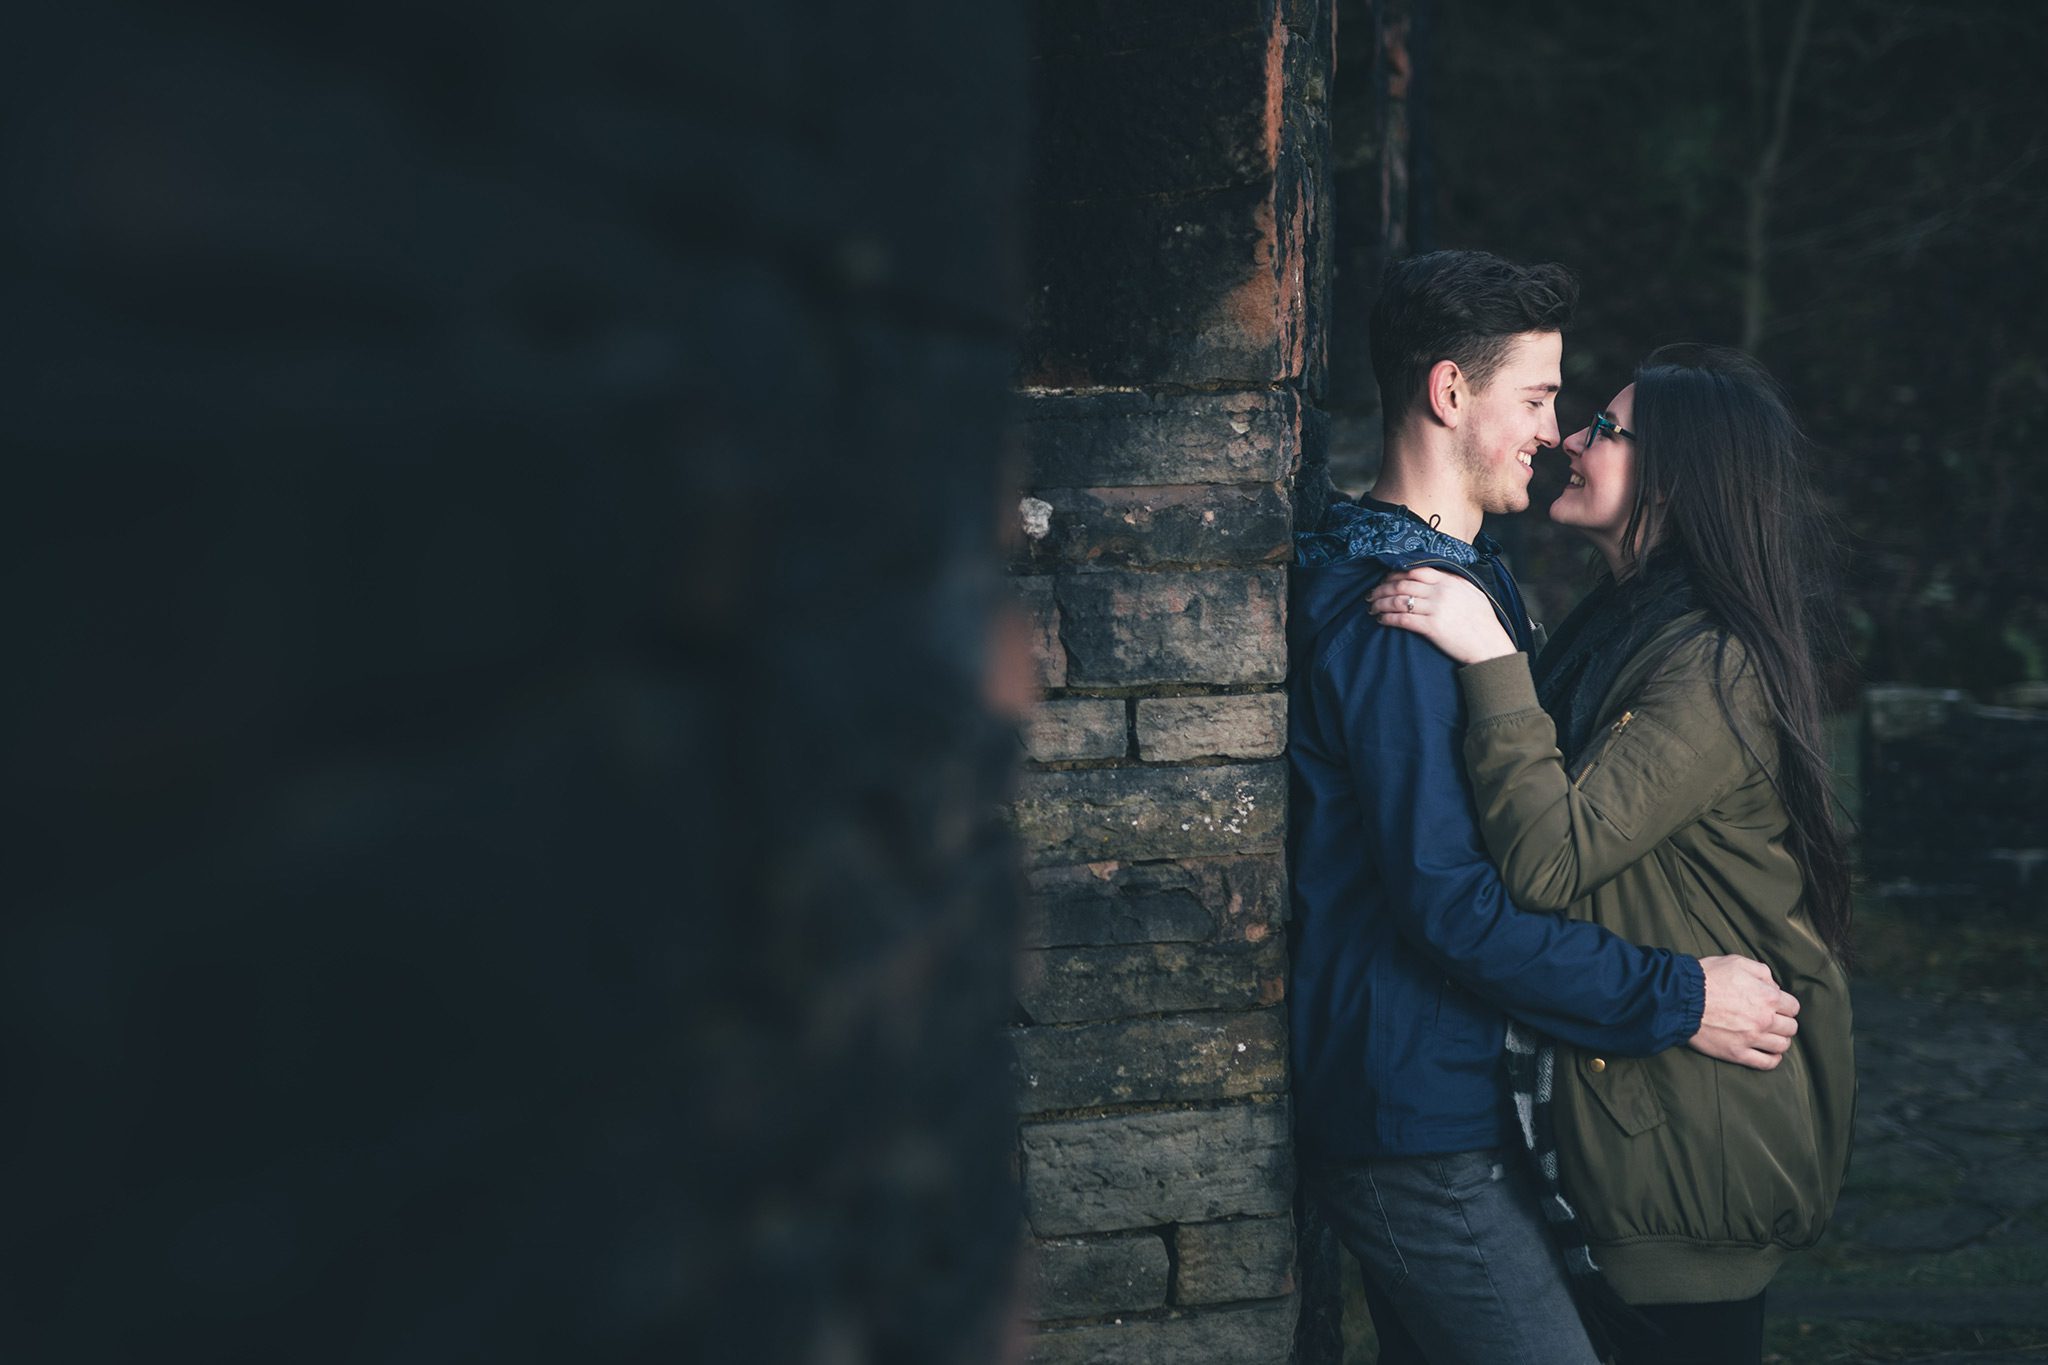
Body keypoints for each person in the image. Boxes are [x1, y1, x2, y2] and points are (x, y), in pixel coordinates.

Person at [1288, 253, 1803, 1365]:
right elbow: (1455, 908)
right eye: (1535, 398)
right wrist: (1676, 996)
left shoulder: (1462, 585)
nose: (1554, 429)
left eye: (1571, 410)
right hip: (1412, 1116)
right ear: (1447, 393)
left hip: (1465, 1104)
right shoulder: (1402, 614)